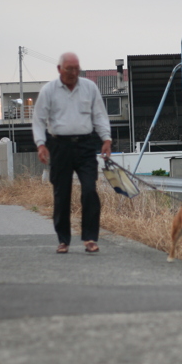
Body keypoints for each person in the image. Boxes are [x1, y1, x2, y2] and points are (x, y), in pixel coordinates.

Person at [33, 52, 113, 254]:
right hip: (59, 146)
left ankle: (90, 238)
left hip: (85, 145)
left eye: (77, 69)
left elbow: (100, 116)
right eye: (69, 69)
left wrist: (106, 139)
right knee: (62, 194)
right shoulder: (48, 91)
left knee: (89, 190)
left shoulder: (89, 88)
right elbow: (39, 120)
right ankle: (63, 240)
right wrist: (41, 144)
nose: (73, 73)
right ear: (60, 69)